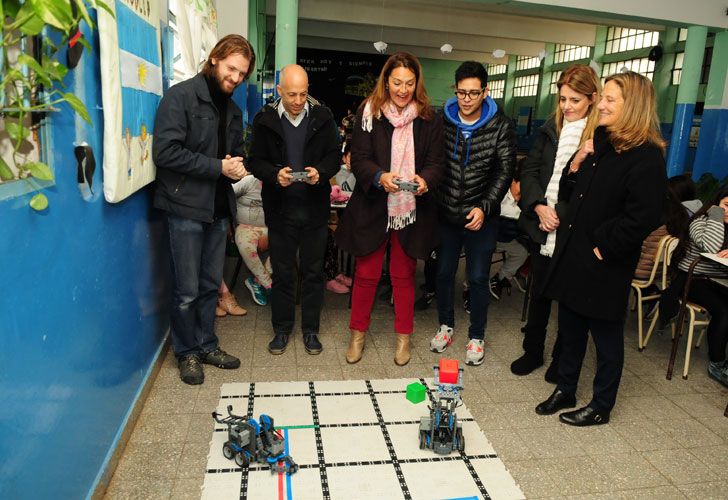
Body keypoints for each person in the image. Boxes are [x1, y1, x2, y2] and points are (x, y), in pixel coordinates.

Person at [535, 71, 667, 426]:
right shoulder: (602, 141)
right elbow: (571, 191)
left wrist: (602, 248)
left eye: (610, 99)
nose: (602, 105)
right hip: (575, 251)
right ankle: (565, 388)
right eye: (603, 97)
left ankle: (601, 406)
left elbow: (645, 215)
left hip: (605, 260)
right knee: (571, 327)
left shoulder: (646, 155)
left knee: (606, 339)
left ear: (633, 106)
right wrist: (577, 162)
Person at [152, 35, 255, 385]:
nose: (236, 79)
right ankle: (186, 352)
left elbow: (235, 152)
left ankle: (207, 344)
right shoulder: (180, 97)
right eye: (231, 69)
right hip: (184, 206)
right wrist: (217, 167)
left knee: (211, 285)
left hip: (217, 209)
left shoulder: (234, 109)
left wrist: (238, 166)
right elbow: (165, 153)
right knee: (186, 289)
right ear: (214, 59)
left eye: (242, 74)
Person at [336, 52, 444, 365]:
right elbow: (359, 159)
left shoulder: (428, 118)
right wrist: (380, 176)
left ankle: (403, 337)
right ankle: (357, 334)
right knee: (366, 273)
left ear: (417, 83)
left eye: (409, 83)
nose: (402, 89)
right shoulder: (369, 112)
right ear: (387, 80)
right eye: (397, 82)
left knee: (403, 274)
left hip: (410, 209)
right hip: (373, 205)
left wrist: (425, 180)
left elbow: (438, 163)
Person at [511, 64, 600, 380]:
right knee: (539, 295)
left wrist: (558, 212)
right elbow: (531, 170)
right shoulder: (551, 129)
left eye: (575, 100)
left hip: (570, 233)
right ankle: (532, 351)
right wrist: (537, 206)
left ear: (591, 98)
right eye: (563, 99)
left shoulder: (599, 137)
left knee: (567, 300)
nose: (567, 107)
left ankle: (561, 359)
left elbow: (591, 188)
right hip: (541, 226)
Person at [429, 60, 516, 366]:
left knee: (478, 278)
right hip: (448, 214)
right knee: (443, 273)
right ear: (455, 90)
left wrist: (485, 207)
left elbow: (505, 172)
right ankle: (446, 326)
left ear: (485, 92)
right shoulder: (443, 120)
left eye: (474, 93)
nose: (467, 99)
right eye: (462, 93)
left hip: (483, 217)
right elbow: (434, 162)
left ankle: (476, 336)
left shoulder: (501, 126)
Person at [248, 64, 340, 356]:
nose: (298, 101)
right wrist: (275, 174)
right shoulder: (264, 120)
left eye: (303, 94)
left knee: (314, 274)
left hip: (314, 211)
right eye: (291, 95)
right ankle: (282, 329)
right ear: (279, 91)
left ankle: (311, 330)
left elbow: (335, 156)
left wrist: (321, 173)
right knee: (284, 273)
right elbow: (254, 161)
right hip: (281, 211)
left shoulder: (323, 117)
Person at [656, 188, 728, 386]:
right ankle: (717, 364)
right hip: (691, 280)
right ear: (716, 204)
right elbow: (711, 246)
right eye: (726, 205)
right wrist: (716, 215)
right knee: (724, 312)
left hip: (719, 282)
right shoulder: (700, 223)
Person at [489, 158, 529, 300]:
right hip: (487, 236)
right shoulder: (499, 195)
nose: (524, 191)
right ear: (513, 181)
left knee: (522, 252)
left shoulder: (527, 201)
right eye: (521, 186)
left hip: (507, 238)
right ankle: (468, 288)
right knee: (478, 253)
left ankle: (499, 279)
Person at [232, 174, 272, 306]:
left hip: (272, 227)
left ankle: (256, 281)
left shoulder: (282, 183)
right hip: (245, 226)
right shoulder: (249, 181)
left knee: (286, 243)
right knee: (246, 246)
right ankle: (269, 284)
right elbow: (228, 193)